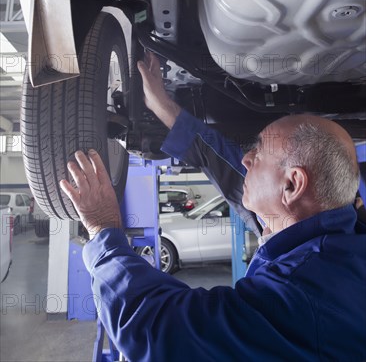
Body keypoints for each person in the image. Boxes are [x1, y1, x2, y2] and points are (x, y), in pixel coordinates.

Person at [60, 52, 366, 362]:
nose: (246, 159)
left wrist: (103, 230)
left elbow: (160, 332)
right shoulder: (323, 232)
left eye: (257, 154)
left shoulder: (301, 295)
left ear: (291, 185)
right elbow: (227, 166)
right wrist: (162, 106)